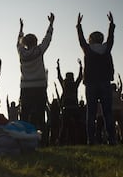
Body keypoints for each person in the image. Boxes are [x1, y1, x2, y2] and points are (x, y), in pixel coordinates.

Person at [76, 12, 116, 145]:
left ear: (90, 39)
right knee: (107, 113)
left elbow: (81, 39)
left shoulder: (87, 49)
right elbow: (111, 38)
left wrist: (79, 25)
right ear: (101, 38)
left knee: (91, 113)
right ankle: (112, 139)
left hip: (91, 84)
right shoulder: (107, 48)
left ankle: (91, 140)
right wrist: (111, 24)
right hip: (105, 82)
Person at [17, 13, 54, 146]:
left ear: (25, 43)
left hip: (26, 87)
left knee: (25, 115)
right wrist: (50, 24)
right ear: (35, 42)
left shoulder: (21, 52)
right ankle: (44, 142)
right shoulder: (39, 51)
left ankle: (23, 141)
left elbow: (18, 42)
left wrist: (21, 29)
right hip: (39, 86)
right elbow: (47, 40)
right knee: (40, 115)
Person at [56, 58, 83, 145]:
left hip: (66, 108)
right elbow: (80, 77)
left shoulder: (64, 84)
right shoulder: (74, 85)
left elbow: (59, 77)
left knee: (64, 126)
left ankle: (61, 142)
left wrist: (58, 67)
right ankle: (78, 141)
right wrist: (80, 67)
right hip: (75, 107)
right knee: (77, 126)